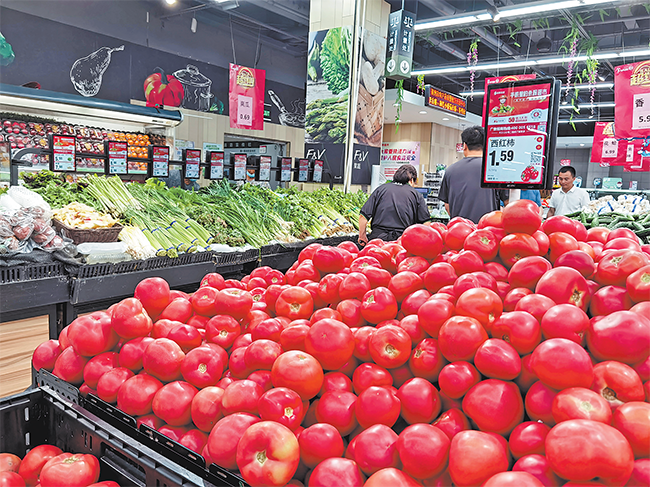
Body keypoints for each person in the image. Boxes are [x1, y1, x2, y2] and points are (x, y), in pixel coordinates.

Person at [438, 126, 509, 224]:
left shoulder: (450, 170)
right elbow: (508, 203)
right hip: (488, 230)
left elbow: (447, 206)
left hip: (458, 230)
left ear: (464, 146)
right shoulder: (495, 170)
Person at [358, 164, 430, 246]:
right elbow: (426, 223)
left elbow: (363, 216)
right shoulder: (416, 195)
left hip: (378, 241)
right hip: (403, 242)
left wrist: (362, 235)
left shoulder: (380, 190)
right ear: (411, 180)